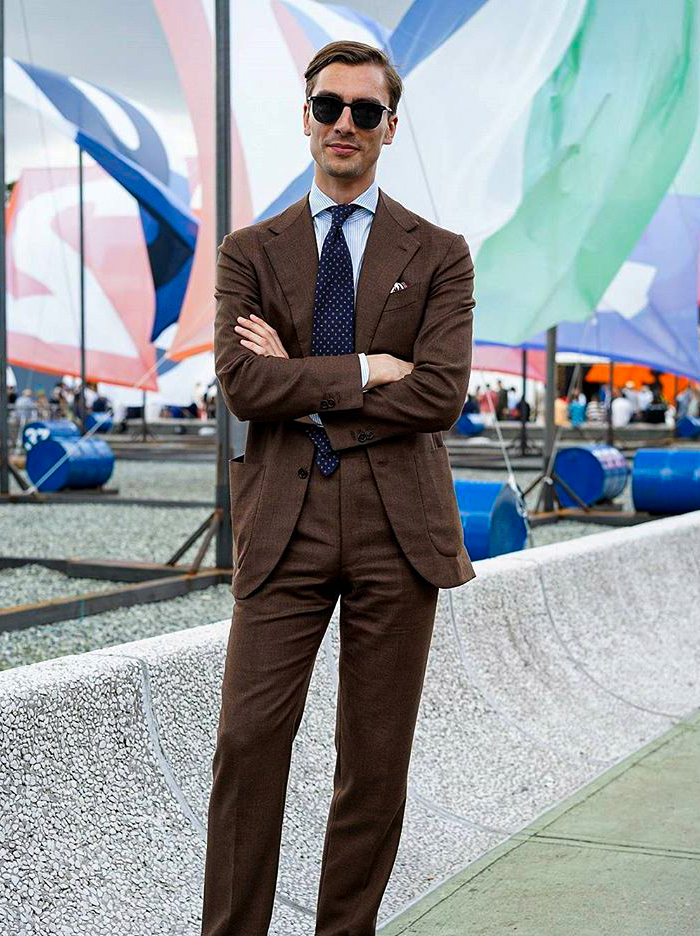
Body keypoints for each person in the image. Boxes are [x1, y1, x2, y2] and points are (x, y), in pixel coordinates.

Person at [201, 40, 476, 936]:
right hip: (283, 520)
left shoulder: (441, 254)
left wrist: (309, 389)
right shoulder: (250, 249)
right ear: (306, 115)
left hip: (401, 530)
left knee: (374, 762)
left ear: (391, 126)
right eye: (329, 106)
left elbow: (439, 393)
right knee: (247, 745)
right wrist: (364, 368)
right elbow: (244, 386)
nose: (344, 124)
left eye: (365, 110)